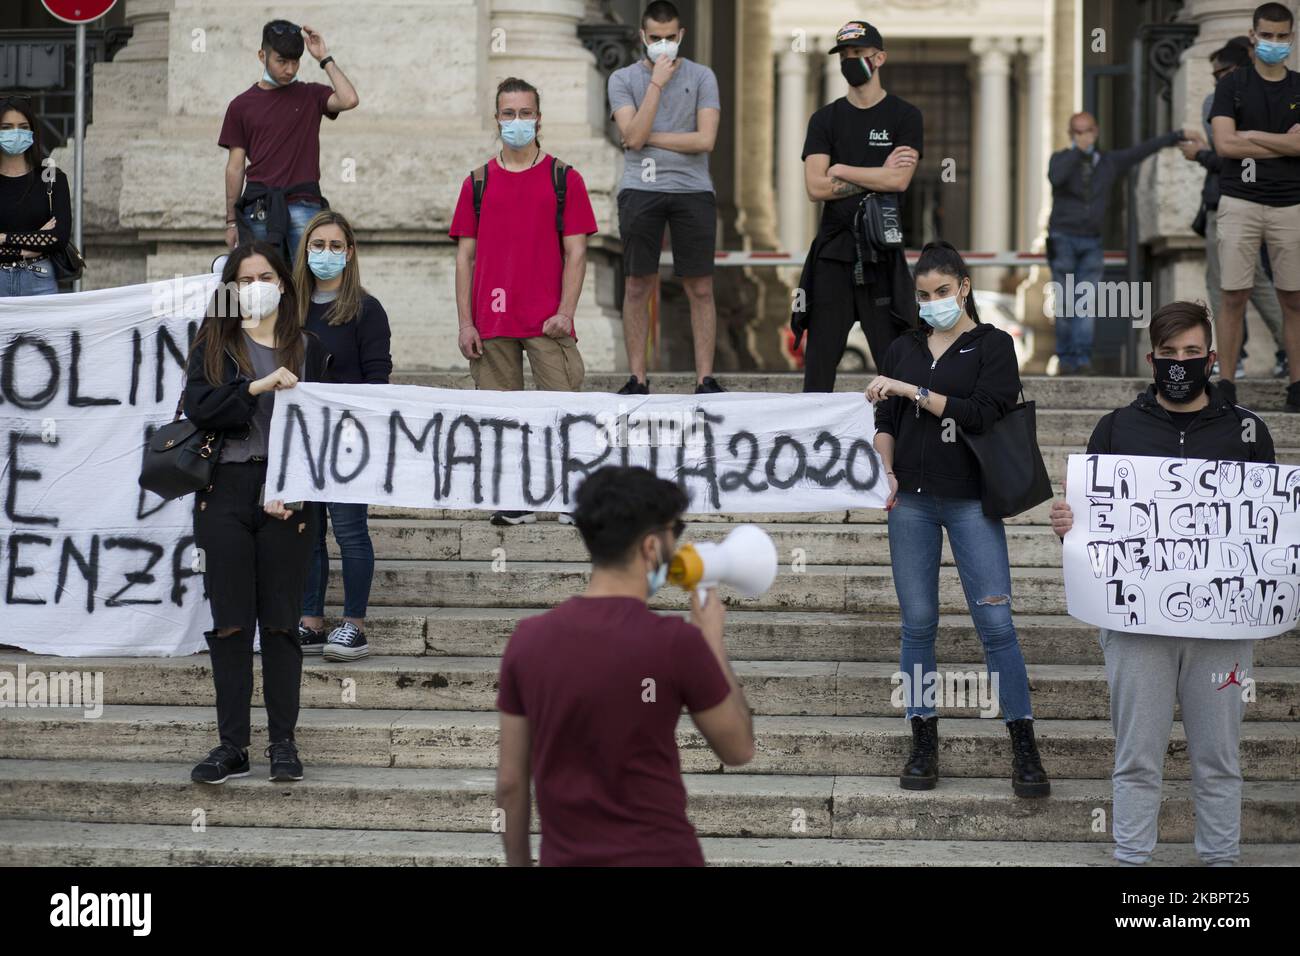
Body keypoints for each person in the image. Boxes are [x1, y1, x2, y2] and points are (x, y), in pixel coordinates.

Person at [1050, 300, 1275, 865]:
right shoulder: (1116, 428)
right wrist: (1070, 525)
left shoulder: (1249, 431)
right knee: (1136, 757)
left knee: (1219, 759)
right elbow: (1094, 525)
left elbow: (1267, 525)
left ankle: (1222, 874)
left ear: (1212, 358)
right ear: (1152, 359)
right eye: (1169, 353)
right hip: (1135, 624)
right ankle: (1132, 867)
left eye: (1192, 353)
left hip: (1223, 626)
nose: (1180, 363)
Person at [494, 465, 754, 866]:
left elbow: (511, 783)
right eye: (674, 531)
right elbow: (738, 749)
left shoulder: (527, 639)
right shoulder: (676, 642)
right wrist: (713, 642)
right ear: (651, 547)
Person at [867, 241, 1050, 797]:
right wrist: (886, 468)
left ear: (963, 288)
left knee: (996, 624)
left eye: (942, 292)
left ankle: (1024, 744)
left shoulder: (993, 345)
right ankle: (922, 740)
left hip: (972, 497)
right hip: (913, 502)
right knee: (917, 624)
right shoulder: (903, 346)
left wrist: (912, 389)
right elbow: (886, 418)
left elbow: (982, 412)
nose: (932, 303)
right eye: (923, 296)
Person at [184, 241, 334, 785]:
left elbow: (327, 426)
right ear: (229, 289)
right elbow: (200, 407)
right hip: (225, 489)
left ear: (284, 284)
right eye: (244, 280)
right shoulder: (214, 343)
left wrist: (295, 486)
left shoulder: (308, 346)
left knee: (279, 623)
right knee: (229, 624)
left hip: (287, 496)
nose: (256, 287)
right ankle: (232, 745)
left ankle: (283, 743)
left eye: (265, 276)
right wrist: (256, 385)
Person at [449, 76, 596, 527]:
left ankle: (570, 493)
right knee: (504, 418)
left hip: (548, 321)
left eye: (525, 113)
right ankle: (517, 496)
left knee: (563, 408)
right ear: (497, 119)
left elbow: (577, 251)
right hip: (492, 324)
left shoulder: (564, 178)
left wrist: (566, 312)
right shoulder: (477, 182)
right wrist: (465, 323)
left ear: (539, 117)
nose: (517, 121)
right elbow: (464, 259)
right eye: (508, 113)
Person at [794, 19, 922, 392]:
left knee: (894, 364)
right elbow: (815, 187)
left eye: (859, 54)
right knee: (818, 367)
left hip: (881, 254)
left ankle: (902, 446)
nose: (851, 61)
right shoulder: (825, 120)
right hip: (833, 254)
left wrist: (843, 169)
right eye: (845, 55)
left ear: (879, 57)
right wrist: (875, 174)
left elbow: (898, 180)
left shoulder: (905, 117)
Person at [609, 1, 724, 395]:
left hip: (693, 190)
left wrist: (645, 137)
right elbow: (634, 136)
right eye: (655, 38)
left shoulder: (703, 76)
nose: (662, 45)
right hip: (640, 189)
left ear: (681, 36)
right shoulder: (622, 79)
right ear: (643, 37)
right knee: (638, 284)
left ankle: (704, 378)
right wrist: (656, 83)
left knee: (701, 286)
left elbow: (704, 140)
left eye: (669, 38)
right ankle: (638, 378)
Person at [293, 210, 391, 661]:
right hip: (299, 438)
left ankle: (354, 624)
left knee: (350, 531)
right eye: (318, 246)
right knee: (307, 532)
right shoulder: (285, 308)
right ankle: (310, 620)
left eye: (336, 246)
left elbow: (377, 380)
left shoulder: (366, 310)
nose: (326, 254)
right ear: (304, 250)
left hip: (349, 441)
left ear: (350, 253)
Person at [1046, 113, 1202, 375]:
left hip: (1092, 241)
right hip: (1062, 238)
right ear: (1071, 134)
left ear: (1096, 131)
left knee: (1084, 302)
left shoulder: (1108, 162)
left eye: (1087, 131)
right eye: (1077, 132)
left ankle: (1082, 359)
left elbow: (1140, 151)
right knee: (1064, 303)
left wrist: (1176, 136)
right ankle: (1065, 358)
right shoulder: (1061, 159)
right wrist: (1078, 153)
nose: (1083, 136)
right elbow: (1056, 178)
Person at [1209, 2, 1300, 412]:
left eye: (1282, 37)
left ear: (1292, 38)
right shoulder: (1233, 85)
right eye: (1268, 35)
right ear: (1253, 36)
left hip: (1291, 204)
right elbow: (1225, 144)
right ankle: (1226, 382)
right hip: (1240, 201)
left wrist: (1254, 135)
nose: (1275, 43)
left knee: (1294, 298)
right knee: (1233, 295)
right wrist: (1284, 143)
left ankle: (1298, 384)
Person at [1183, 39, 1289, 381]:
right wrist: (1273, 144)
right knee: (1252, 283)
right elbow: (1238, 150)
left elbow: (1228, 157)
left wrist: (1201, 153)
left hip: (1244, 199)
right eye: (1214, 74)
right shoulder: (1236, 98)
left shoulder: (1221, 100)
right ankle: (1275, 351)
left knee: (1228, 284)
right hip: (1251, 198)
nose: (1218, 80)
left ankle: (1237, 359)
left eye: (1223, 71)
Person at [219, 20, 359, 266]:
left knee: (309, 282)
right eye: (282, 61)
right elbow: (235, 167)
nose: (290, 69)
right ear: (262, 56)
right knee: (261, 286)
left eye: (295, 62)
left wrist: (324, 57)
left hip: (304, 203)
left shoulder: (311, 94)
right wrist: (231, 221)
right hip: (258, 208)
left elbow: (349, 99)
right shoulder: (241, 105)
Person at [0, 95, 69, 296]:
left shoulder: (52, 178)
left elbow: (58, 237)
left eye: (22, 126)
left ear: (32, 131)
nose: (16, 133)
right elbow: (46, 240)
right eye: (6, 127)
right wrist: (28, 246)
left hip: (40, 281)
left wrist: (4, 237)